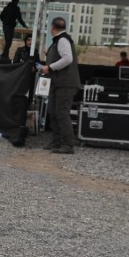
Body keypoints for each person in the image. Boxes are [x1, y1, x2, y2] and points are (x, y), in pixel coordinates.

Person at [37, 17, 81, 154]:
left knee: (61, 113)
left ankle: (68, 145)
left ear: (52, 27)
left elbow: (68, 58)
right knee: (53, 112)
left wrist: (49, 68)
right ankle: (57, 141)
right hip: (59, 83)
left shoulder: (62, 40)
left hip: (65, 84)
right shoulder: (60, 40)